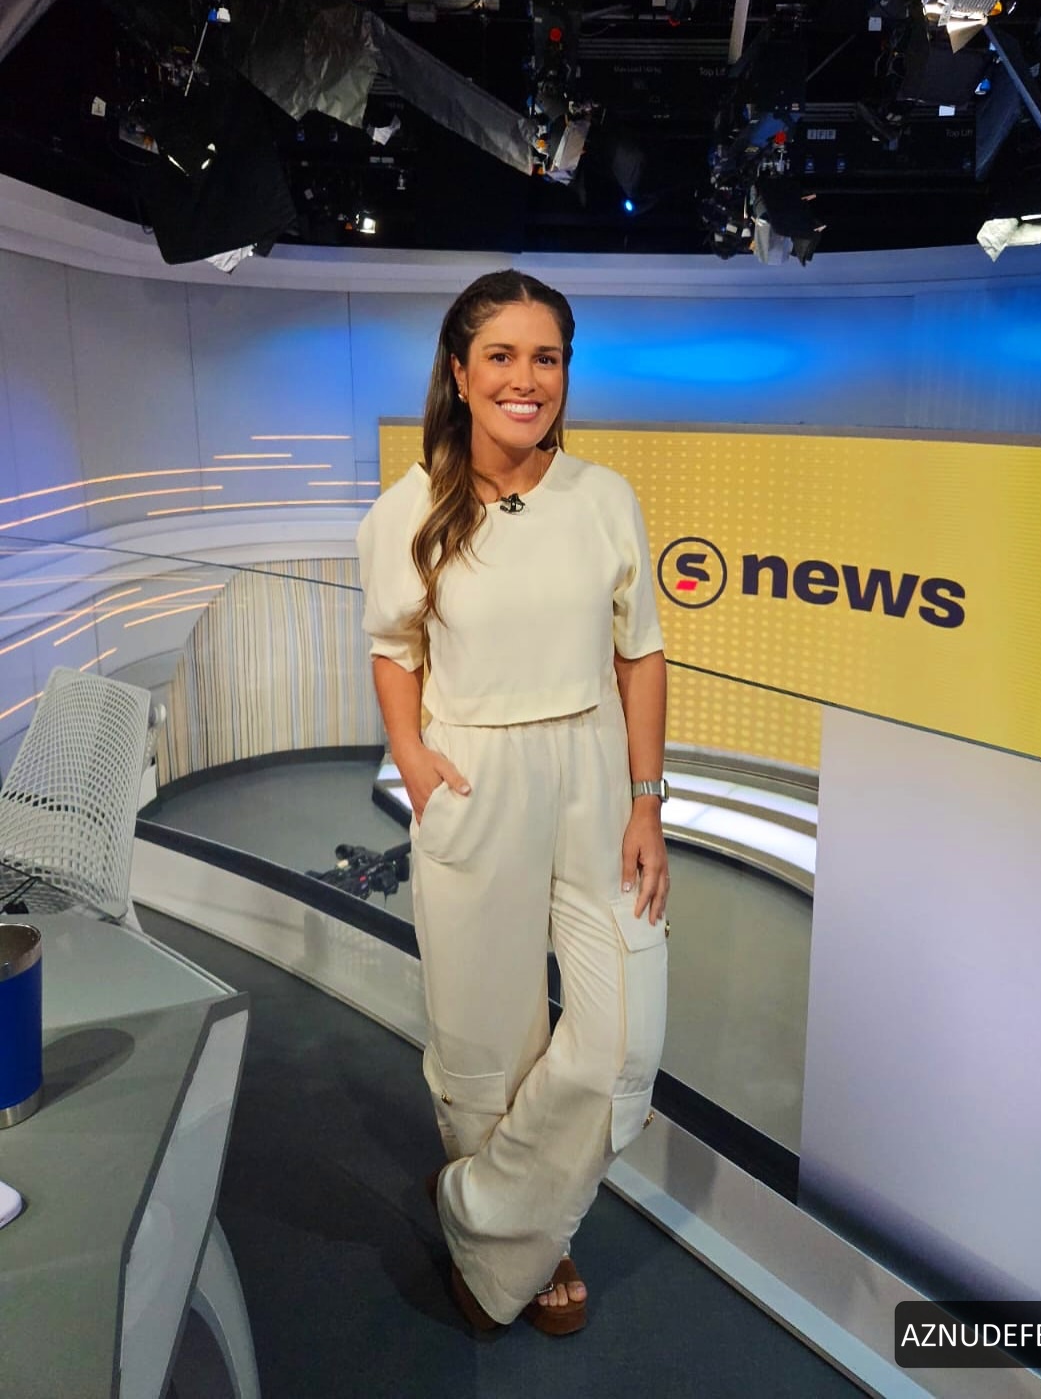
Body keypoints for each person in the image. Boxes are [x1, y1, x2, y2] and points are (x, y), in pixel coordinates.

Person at [356, 269, 670, 1336]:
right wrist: (413, 756)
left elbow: (640, 652)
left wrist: (646, 801)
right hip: (476, 776)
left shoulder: (603, 496)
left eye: (547, 357)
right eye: (501, 355)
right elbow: (393, 648)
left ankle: (486, 1212)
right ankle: (528, 1250)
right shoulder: (406, 511)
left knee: (623, 1037)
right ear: (459, 371)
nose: (525, 379)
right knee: (485, 1040)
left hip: (595, 773)